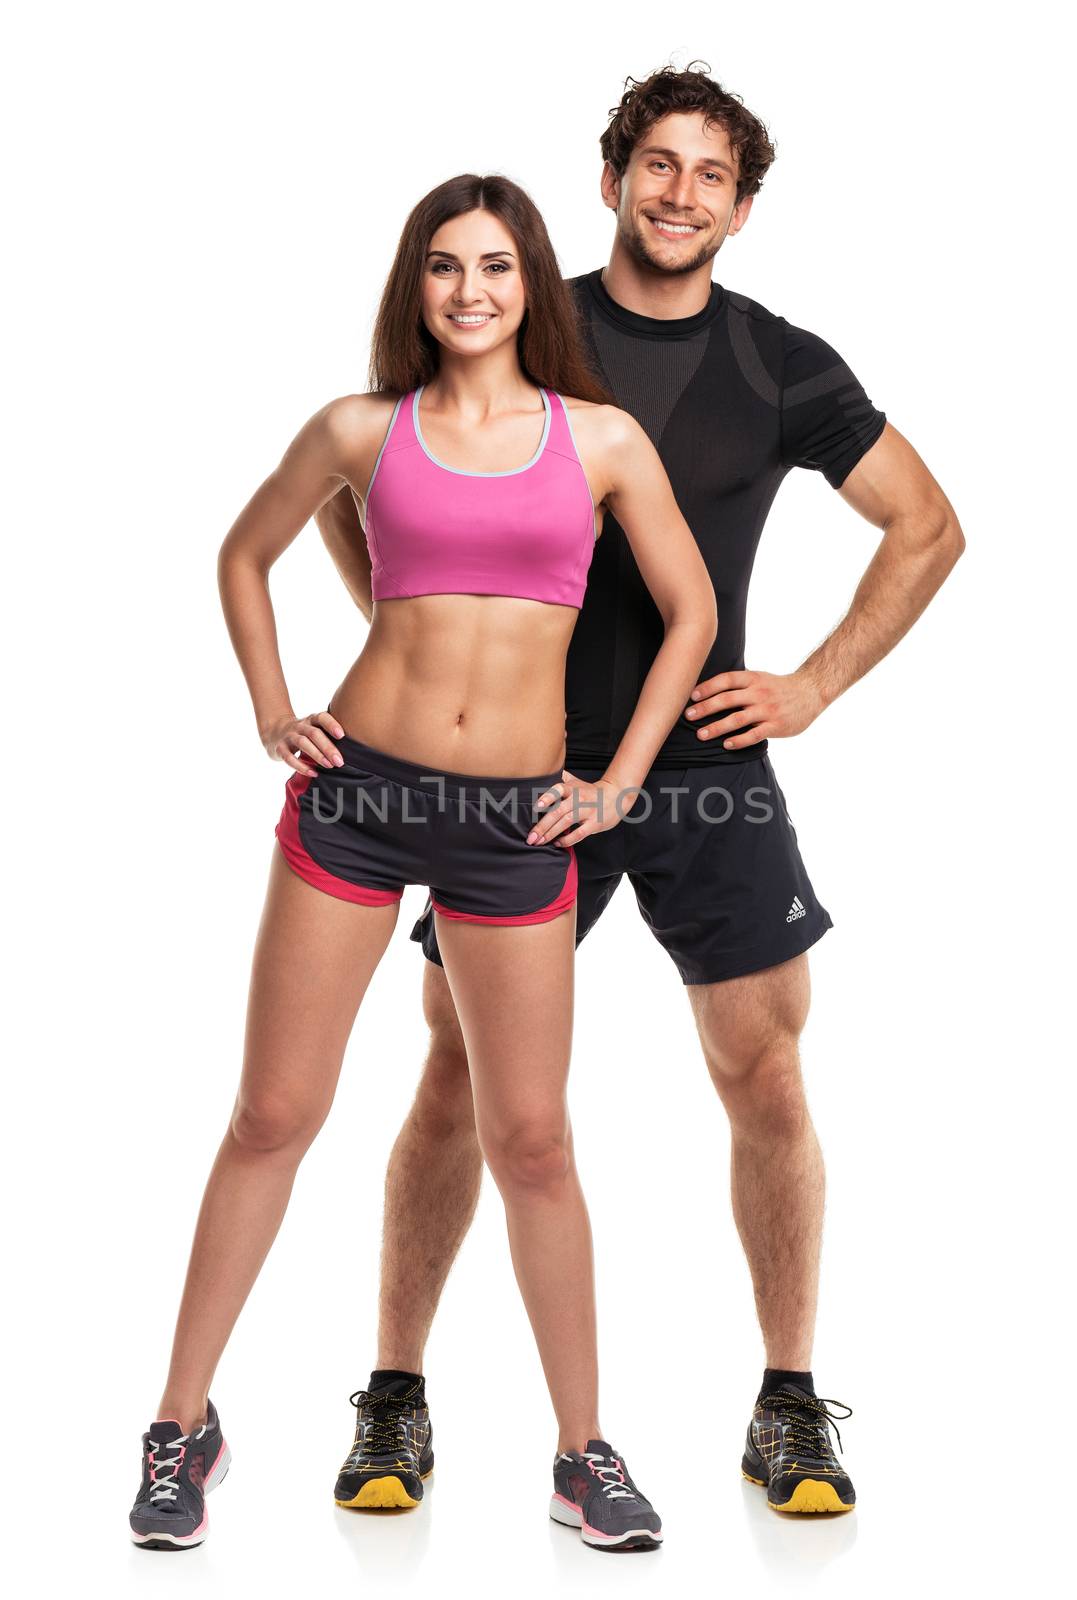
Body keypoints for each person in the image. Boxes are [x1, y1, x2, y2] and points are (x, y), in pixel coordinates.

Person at [317, 66, 965, 1518]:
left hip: (703, 779)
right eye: (654, 164)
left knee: (762, 1070)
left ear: (743, 205)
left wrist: (810, 682)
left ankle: (787, 1403)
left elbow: (925, 527)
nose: (679, 193)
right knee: (455, 1074)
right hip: (520, 780)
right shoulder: (521, 319)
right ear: (609, 177)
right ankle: (395, 1396)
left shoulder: (777, 364)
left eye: (709, 174)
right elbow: (359, 473)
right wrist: (401, 643)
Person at [127, 172, 717, 1553]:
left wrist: (617, 781)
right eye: (445, 267)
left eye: (497, 268)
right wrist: (274, 707)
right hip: (356, 799)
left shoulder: (603, 439)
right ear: (417, 285)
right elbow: (243, 554)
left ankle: (582, 1453)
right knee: (272, 1114)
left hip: (518, 818)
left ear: (529, 284)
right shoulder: (359, 428)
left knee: (531, 1140)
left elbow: (689, 614)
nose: (470, 292)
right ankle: (178, 1428)